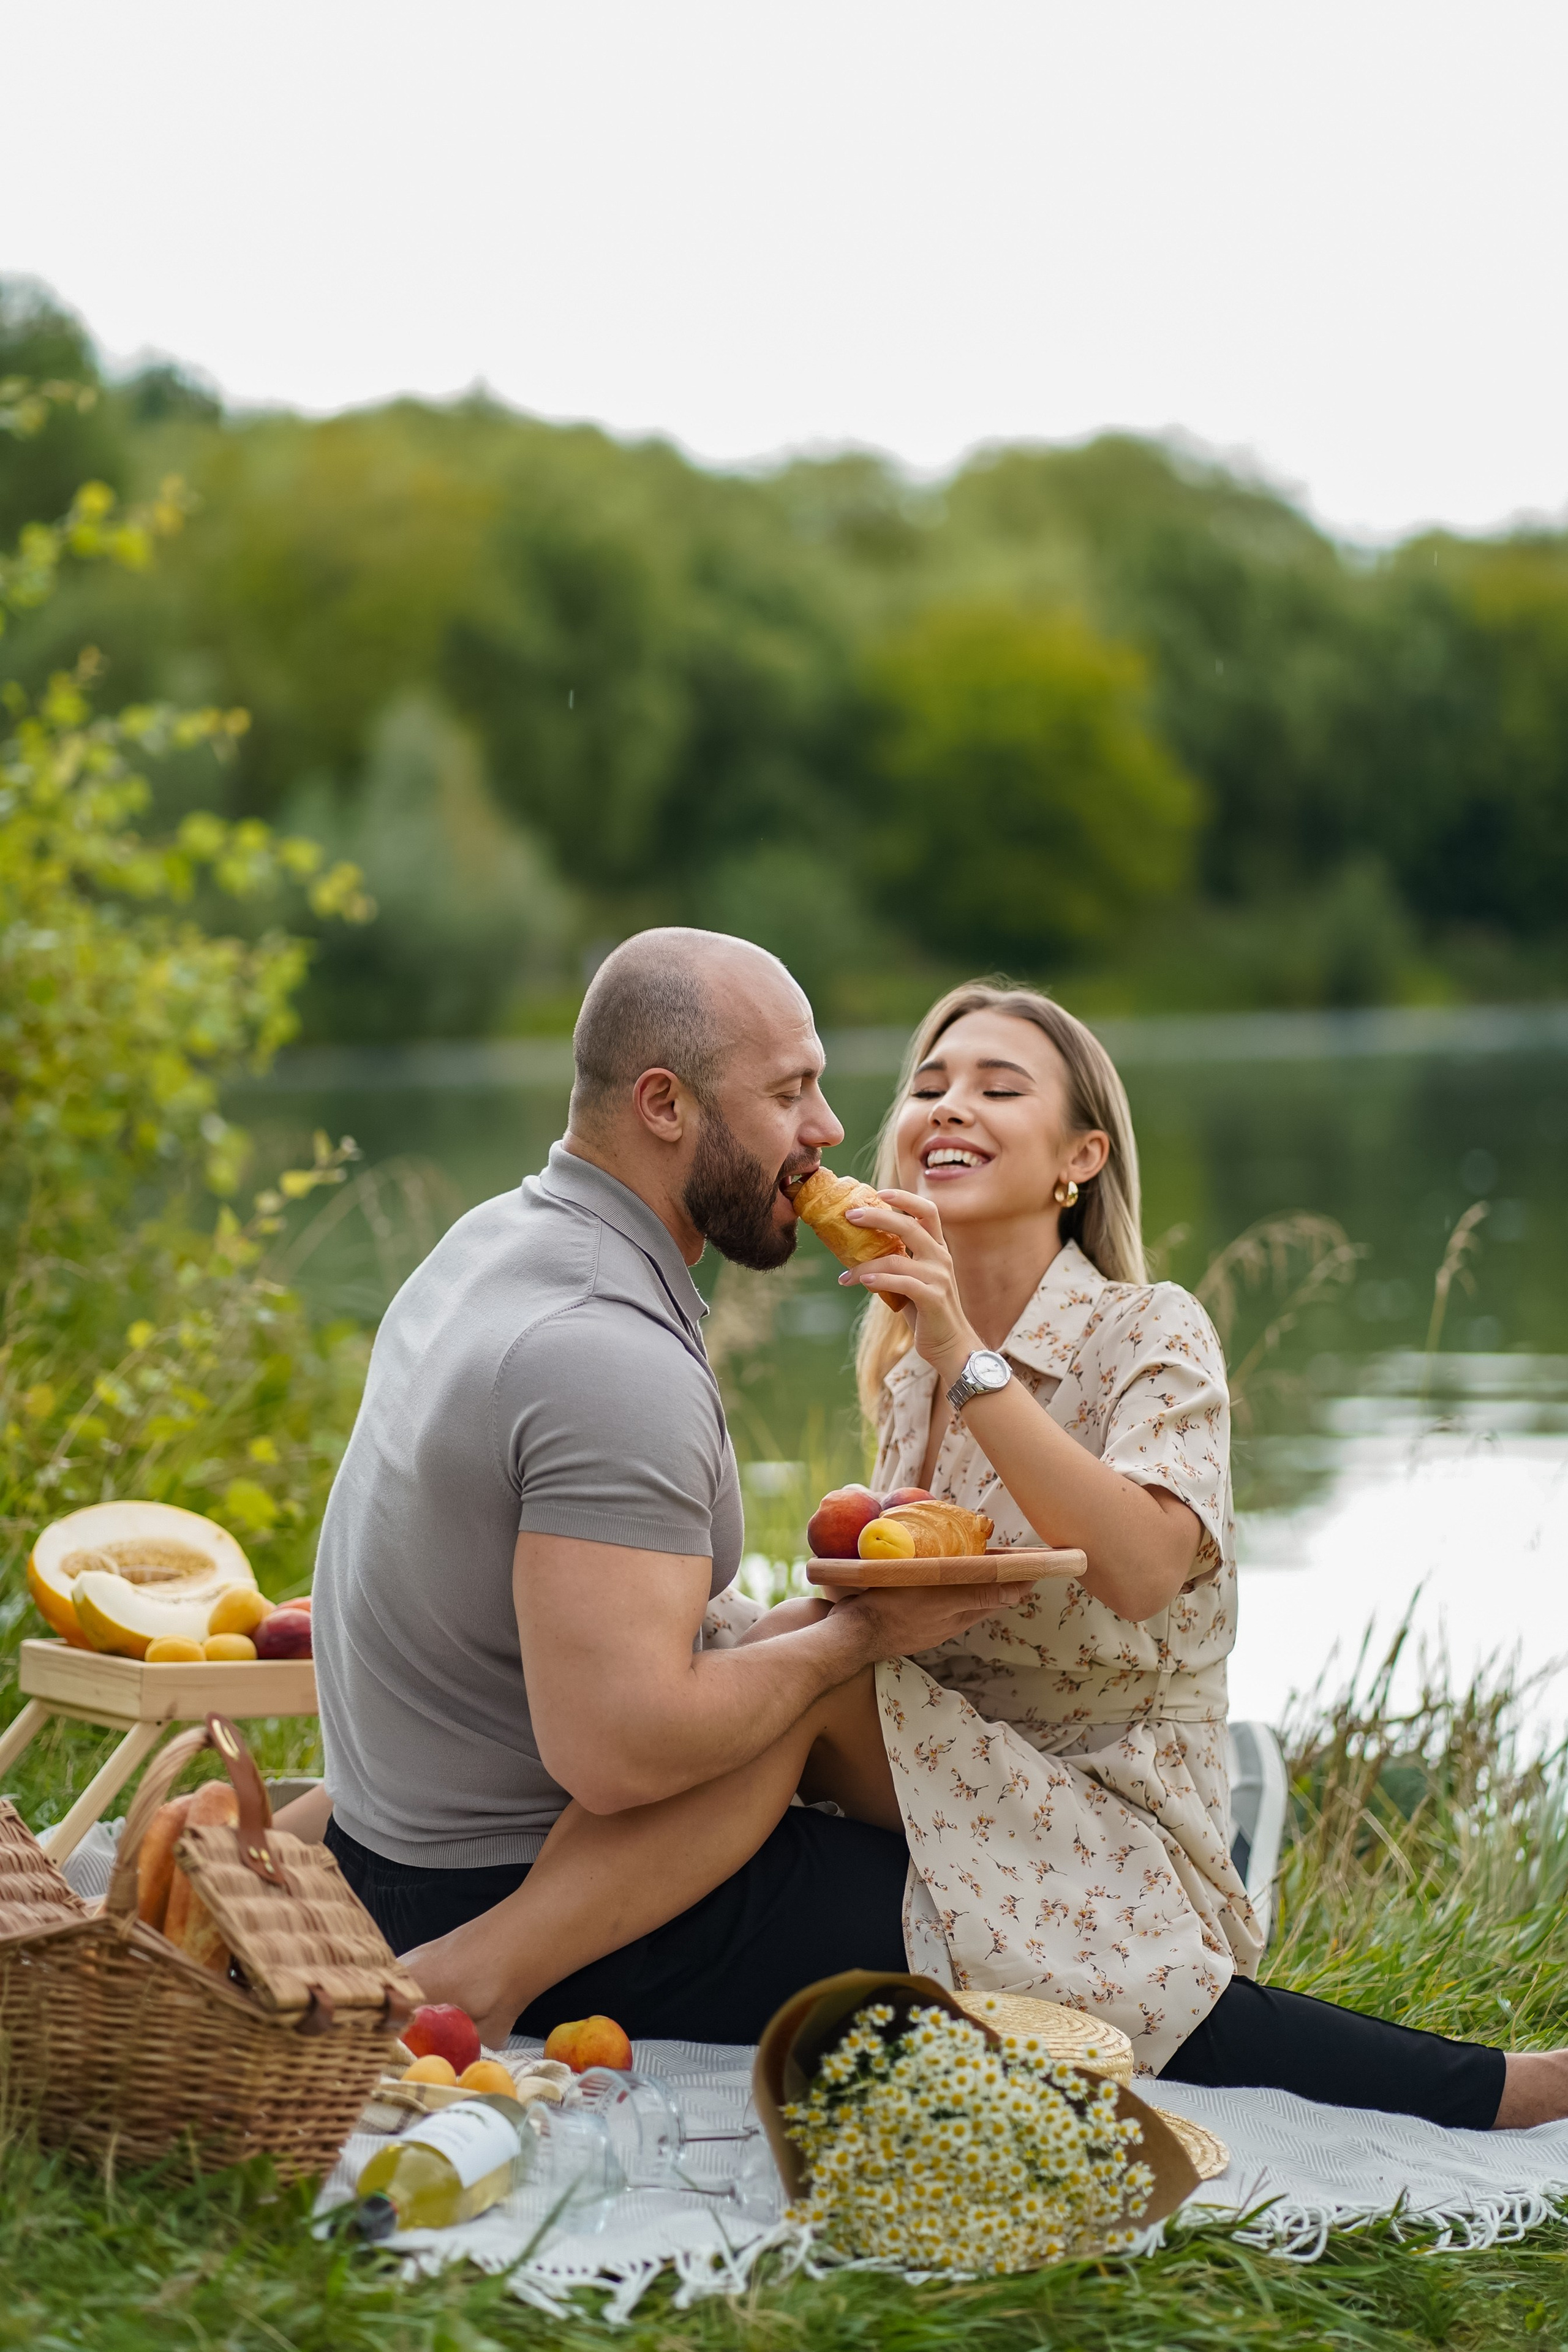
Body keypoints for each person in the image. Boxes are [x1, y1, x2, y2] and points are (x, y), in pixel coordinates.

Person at [355, 973, 1568, 2133]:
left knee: (810, 1671)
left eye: (999, 1088)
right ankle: (465, 1939)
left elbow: (1143, 1567)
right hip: (935, 1783)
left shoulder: (1148, 1331)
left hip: (1103, 1813)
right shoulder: (902, 1373)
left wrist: (965, 1355)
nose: (947, 1105)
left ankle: (481, 1970)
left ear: (1078, 1159)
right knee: (740, 1649)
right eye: (930, 1082)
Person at [308, 930, 1034, 2048]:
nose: (830, 1130)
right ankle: (1410, 2107)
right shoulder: (607, 1351)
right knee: (1017, 1928)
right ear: (664, 1105)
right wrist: (862, 1635)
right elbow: (620, 1750)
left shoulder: (490, 1243)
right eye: (790, 1091)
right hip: (531, 1906)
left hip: (386, 1859)